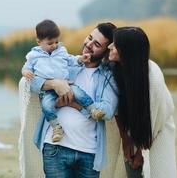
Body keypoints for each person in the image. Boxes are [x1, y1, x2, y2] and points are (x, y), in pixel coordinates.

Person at [28, 22, 118, 177]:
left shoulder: (107, 77)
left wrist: (74, 104)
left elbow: (107, 111)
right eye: (89, 38)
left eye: (96, 44)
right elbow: (32, 83)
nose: (89, 44)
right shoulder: (67, 63)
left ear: (106, 51)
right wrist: (54, 84)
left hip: (89, 153)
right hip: (55, 147)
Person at [107, 27, 177, 178]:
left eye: (115, 44)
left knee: (155, 171)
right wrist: (125, 140)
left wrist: (141, 151)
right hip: (132, 129)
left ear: (126, 50)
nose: (109, 46)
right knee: (130, 170)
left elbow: (154, 117)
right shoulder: (116, 69)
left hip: (156, 131)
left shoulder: (152, 77)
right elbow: (118, 109)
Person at [22, 19, 105, 143]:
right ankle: (56, 127)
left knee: (79, 93)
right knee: (46, 106)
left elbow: (70, 60)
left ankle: (92, 109)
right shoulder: (33, 55)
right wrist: (25, 72)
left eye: (56, 41)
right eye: (50, 43)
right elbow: (27, 69)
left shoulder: (61, 50)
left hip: (66, 84)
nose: (54, 45)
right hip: (48, 91)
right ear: (39, 42)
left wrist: (80, 59)